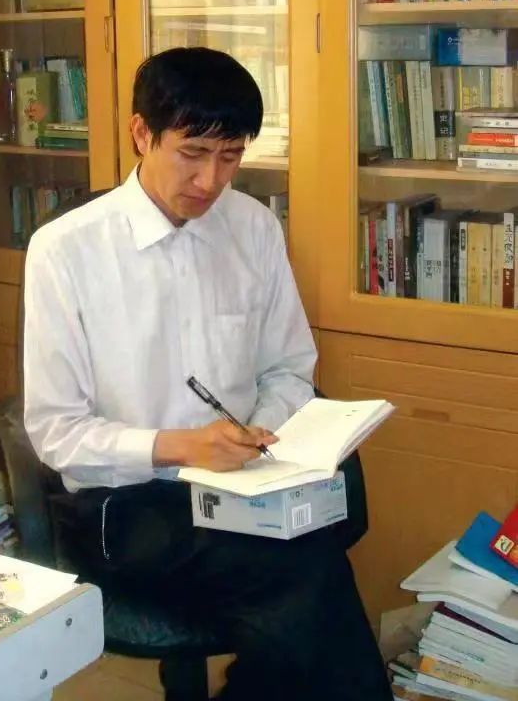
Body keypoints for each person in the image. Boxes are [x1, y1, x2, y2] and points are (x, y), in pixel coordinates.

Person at [23, 47, 391, 701]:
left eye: (230, 156)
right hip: (126, 502)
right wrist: (181, 446)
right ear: (142, 134)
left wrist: (259, 432)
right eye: (192, 153)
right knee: (305, 574)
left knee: (309, 566)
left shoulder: (252, 227)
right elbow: (57, 432)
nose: (210, 179)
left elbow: (289, 369)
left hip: (245, 483)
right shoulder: (67, 250)